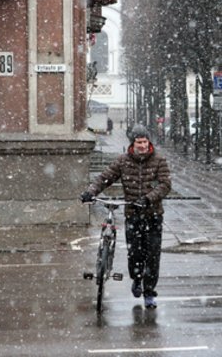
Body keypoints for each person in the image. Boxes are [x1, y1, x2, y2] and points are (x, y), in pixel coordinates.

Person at [81, 124, 171, 309]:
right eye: (139, 142)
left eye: (145, 142)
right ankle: (137, 280)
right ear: (133, 143)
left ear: (149, 142)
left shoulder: (159, 160)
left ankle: (149, 293)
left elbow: (165, 185)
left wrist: (147, 199)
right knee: (135, 254)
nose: (143, 146)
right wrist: (90, 191)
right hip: (133, 215)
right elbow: (105, 178)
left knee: (152, 257)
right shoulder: (123, 161)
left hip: (153, 215)